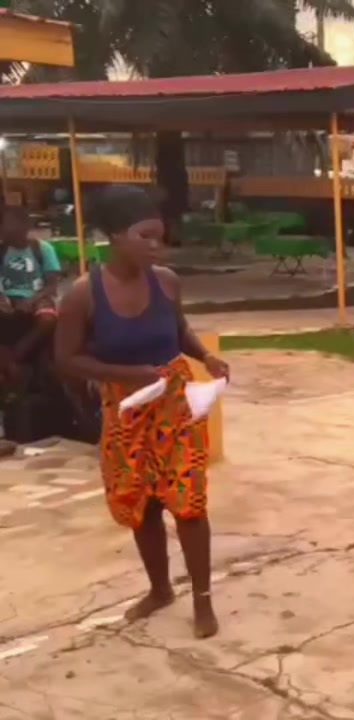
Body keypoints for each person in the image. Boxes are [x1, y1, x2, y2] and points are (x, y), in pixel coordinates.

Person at [53, 185, 229, 639]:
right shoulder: (83, 295)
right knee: (142, 504)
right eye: (144, 236)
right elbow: (66, 358)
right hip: (125, 410)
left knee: (189, 504)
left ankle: (203, 600)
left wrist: (205, 356)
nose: (156, 246)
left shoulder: (166, 282)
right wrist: (124, 374)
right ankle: (160, 589)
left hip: (175, 408)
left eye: (159, 236)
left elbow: (179, 329)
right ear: (114, 235)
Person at [0, 204, 61, 383]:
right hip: (8, 297)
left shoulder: (43, 249)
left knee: (48, 320)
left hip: (38, 296)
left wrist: (31, 301)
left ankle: (15, 356)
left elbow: (52, 286)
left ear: (24, 226)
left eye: (8, 225)